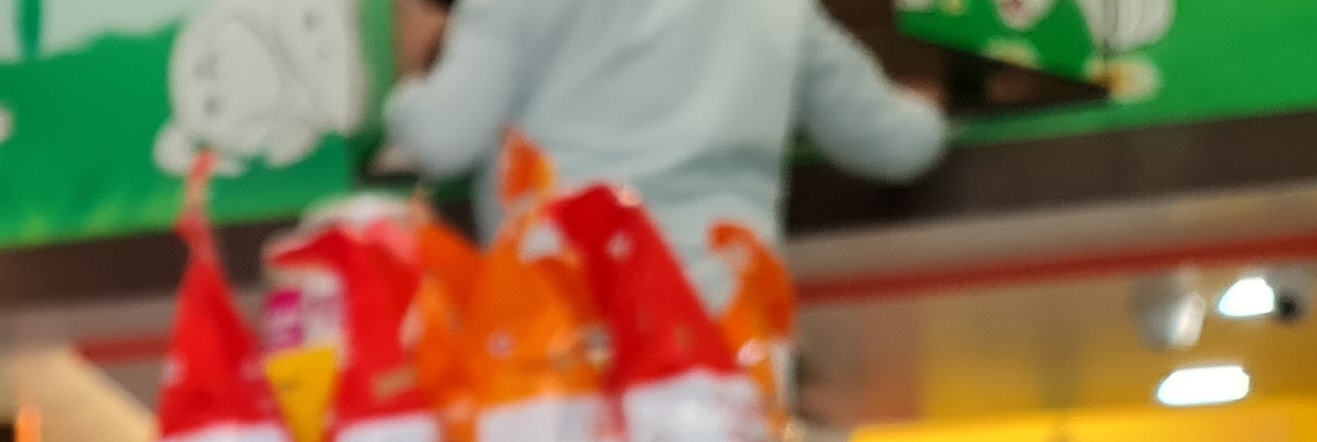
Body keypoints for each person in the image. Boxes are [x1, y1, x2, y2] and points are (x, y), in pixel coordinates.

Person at [379, 0, 947, 302]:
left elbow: (439, 139)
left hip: (565, 323)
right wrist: (931, 102)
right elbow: (896, 144)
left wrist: (410, 68)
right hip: (724, 317)